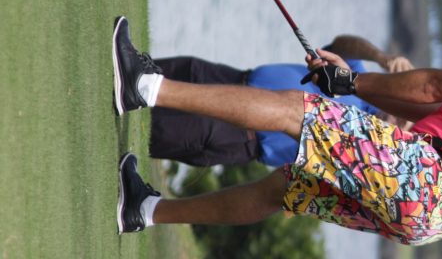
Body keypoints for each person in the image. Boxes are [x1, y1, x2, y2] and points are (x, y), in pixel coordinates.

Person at [111, 14, 442, 246]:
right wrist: (352, 85)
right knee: (283, 187)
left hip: (424, 177)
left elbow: (433, 87)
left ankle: (144, 86)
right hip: (430, 221)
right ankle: (144, 210)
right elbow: (435, 114)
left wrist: (353, 81)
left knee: (298, 111)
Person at [149, 36, 413, 167]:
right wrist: (381, 57)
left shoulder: (365, 147)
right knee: (142, 73)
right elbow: (339, 45)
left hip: (236, 132)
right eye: (407, 113)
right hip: (229, 77)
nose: (400, 119)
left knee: (148, 124)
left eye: (405, 126)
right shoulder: (362, 83)